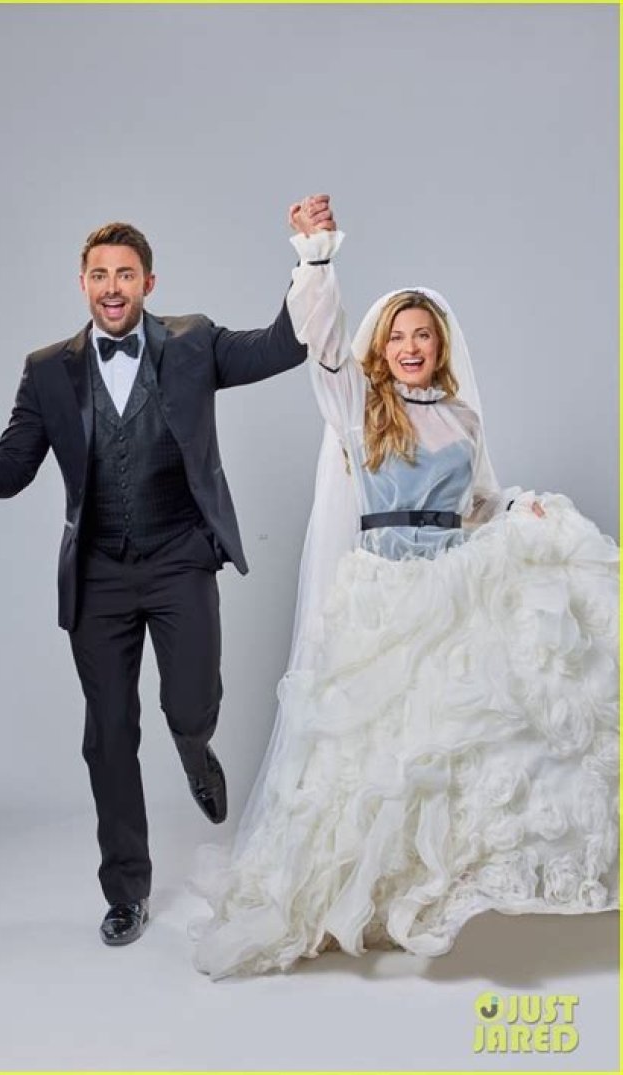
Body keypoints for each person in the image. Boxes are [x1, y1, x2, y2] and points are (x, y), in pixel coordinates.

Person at [190, 207, 619, 978]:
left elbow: (479, 503)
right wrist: (317, 258)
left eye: (423, 335)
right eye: (398, 337)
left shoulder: (462, 418)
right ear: (382, 348)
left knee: (453, 742)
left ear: (441, 346)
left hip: (454, 586)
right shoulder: (359, 405)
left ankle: (443, 884)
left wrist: (522, 511)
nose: (412, 347)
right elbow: (324, 345)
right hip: (386, 593)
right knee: (376, 755)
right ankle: (359, 892)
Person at [0, 196, 337, 947]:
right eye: (100, 275)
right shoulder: (47, 371)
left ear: (148, 282)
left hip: (180, 558)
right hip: (99, 576)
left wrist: (312, 256)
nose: (113, 288)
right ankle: (126, 891)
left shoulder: (195, 341)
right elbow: (13, 468)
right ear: (83, 283)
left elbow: (283, 345)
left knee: (190, 703)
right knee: (108, 734)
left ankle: (195, 745)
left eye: (126, 274)